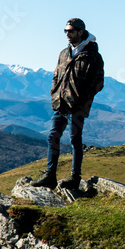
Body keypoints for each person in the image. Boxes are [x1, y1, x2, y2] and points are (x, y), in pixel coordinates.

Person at [32, 18, 105, 190]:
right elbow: (56, 74)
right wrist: (54, 92)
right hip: (61, 102)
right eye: (65, 31)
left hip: (77, 106)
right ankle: (50, 176)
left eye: (70, 31)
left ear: (80, 32)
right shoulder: (64, 53)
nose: (67, 34)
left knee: (75, 140)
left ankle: (75, 178)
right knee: (53, 137)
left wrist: (82, 98)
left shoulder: (92, 55)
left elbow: (98, 82)